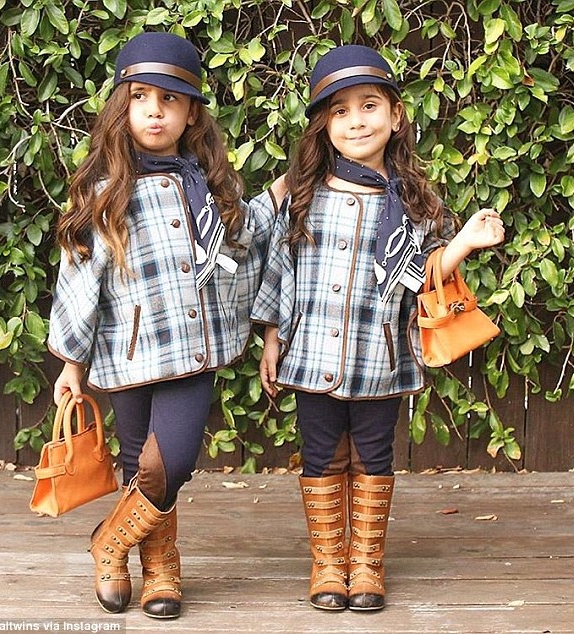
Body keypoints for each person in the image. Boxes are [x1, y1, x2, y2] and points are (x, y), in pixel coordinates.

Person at [251, 45, 505, 613]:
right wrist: (271, 337)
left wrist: (463, 243)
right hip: (311, 352)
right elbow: (277, 266)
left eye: (369, 106)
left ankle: (366, 563)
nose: (356, 121)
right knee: (321, 454)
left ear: (395, 115)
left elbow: (423, 275)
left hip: (380, 354)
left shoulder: (414, 201)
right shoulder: (304, 193)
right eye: (340, 111)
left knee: (372, 455)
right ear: (324, 125)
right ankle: (327, 563)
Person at [48, 32, 277, 620]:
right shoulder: (103, 194)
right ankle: (159, 568)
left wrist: (278, 196)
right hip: (126, 352)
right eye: (141, 97)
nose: (155, 111)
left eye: (170, 99)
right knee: (137, 460)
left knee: (168, 463)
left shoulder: (215, 188)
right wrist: (72, 364)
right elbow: (79, 281)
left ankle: (109, 541)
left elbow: (245, 245)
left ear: (191, 112)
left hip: (192, 348)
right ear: (122, 107)